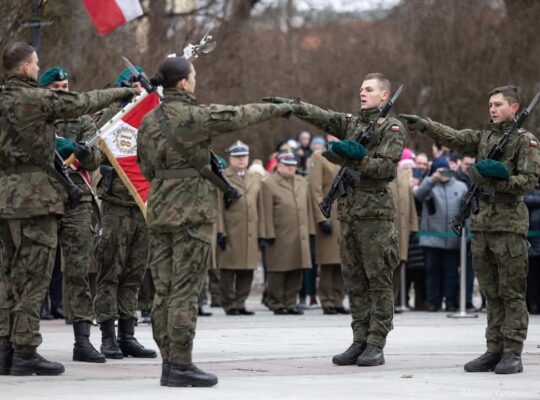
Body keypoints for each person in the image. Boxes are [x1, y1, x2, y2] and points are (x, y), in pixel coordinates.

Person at [136, 55, 294, 387]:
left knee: (162, 292)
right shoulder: (194, 115)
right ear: (183, 82)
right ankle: (181, 364)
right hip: (191, 211)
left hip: (160, 208)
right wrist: (278, 108)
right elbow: (239, 116)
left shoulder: (149, 121)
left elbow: (145, 167)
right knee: (185, 290)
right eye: (193, 76)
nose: (195, 80)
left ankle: (169, 362)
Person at [0, 42, 136, 376]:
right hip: (36, 199)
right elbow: (81, 102)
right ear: (26, 68)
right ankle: (26, 352)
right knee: (34, 277)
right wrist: (119, 93)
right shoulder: (33, 98)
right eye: (35, 63)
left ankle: (5, 347)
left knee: (9, 275)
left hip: (6, 197)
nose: (36, 67)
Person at [265, 72, 406, 366]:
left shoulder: (391, 127)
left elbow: (385, 169)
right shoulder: (353, 124)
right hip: (350, 214)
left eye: (369, 89)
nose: (362, 93)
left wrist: (355, 159)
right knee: (354, 280)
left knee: (377, 280)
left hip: (375, 216)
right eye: (360, 89)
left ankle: (376, 343)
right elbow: (323, 117)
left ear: (384, 95)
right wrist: (292, 106)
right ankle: (359, 339)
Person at [401, 85, 540, 374]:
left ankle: (512, 352)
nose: (492, 108)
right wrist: (426, 126)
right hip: (482, 223)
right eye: (490, 104)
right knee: (490, 292)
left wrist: (498, 180)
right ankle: (493, 349)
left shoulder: (525, 141)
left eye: (498, 104)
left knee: (511, 292)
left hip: (509, 225)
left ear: (514, 108)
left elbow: (527, 181)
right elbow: (454, 136)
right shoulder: (485, 138)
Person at [38, 66, 106, 363]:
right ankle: (23, 341)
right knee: (34, 269)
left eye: (66, 85)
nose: (63, 91)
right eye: (56, 88)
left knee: (79, 269)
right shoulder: (34, 118)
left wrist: (84, 154)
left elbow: (96, 158)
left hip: (76, 198)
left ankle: (82, 339)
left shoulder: (81, 119)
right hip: (41, 196)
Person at [94, 66, 157, 360]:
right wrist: (124, 104)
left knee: (134, 272)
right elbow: (96, 146)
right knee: (110, 271)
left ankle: (128, 335)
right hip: (116, 204)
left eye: (141, 85)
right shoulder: (113, 116)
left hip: (142, 204)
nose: (139, 90)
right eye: (133, 85)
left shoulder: (150, 116)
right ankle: (108, 335)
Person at [261, 152, 316, 315]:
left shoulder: (302, 182)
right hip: (279, 233)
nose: (290, 168)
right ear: (278, 165)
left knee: (297, 269)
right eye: (287, 165)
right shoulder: (269, 183)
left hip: (300, 234)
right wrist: (267, 233)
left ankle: (291, 302)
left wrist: (311, 230)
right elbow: (265, 211)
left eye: (293, 165)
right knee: (278, 270)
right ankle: (277, 303)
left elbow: (309, 208)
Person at [413, 157, 468, 312]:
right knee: (432, 272)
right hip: (431, 239)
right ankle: (433, 301)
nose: (443, 173)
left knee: (451, 273)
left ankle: (450, 301)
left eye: (446, 170)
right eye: (440, 170)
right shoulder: (429, 184)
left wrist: (465, 235)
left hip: (453, 239)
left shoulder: (461, 186)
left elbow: (466, 212)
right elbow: (418, 195)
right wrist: (431, 179)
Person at [216, 141, 262, 316]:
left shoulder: (254, 178)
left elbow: (260, 206)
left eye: (244, 156)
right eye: (237, 157)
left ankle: (241, 303)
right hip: (231, 230)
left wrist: (263, 233)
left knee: (247, 269)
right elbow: (218, 206)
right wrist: (220, 231)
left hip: (250, 230)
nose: (241, 160)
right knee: (228, 270)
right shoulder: (223, 176)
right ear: (230, 158)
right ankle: (229, 304)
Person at [307, 135, 348, 315]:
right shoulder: (319, 156)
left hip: (345, 215)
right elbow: (315, 189)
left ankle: (339, 299)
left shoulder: (347, 157)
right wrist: (322, 218)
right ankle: (327, 300)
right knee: (328, 262)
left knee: (343, 262)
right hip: (329, 214)